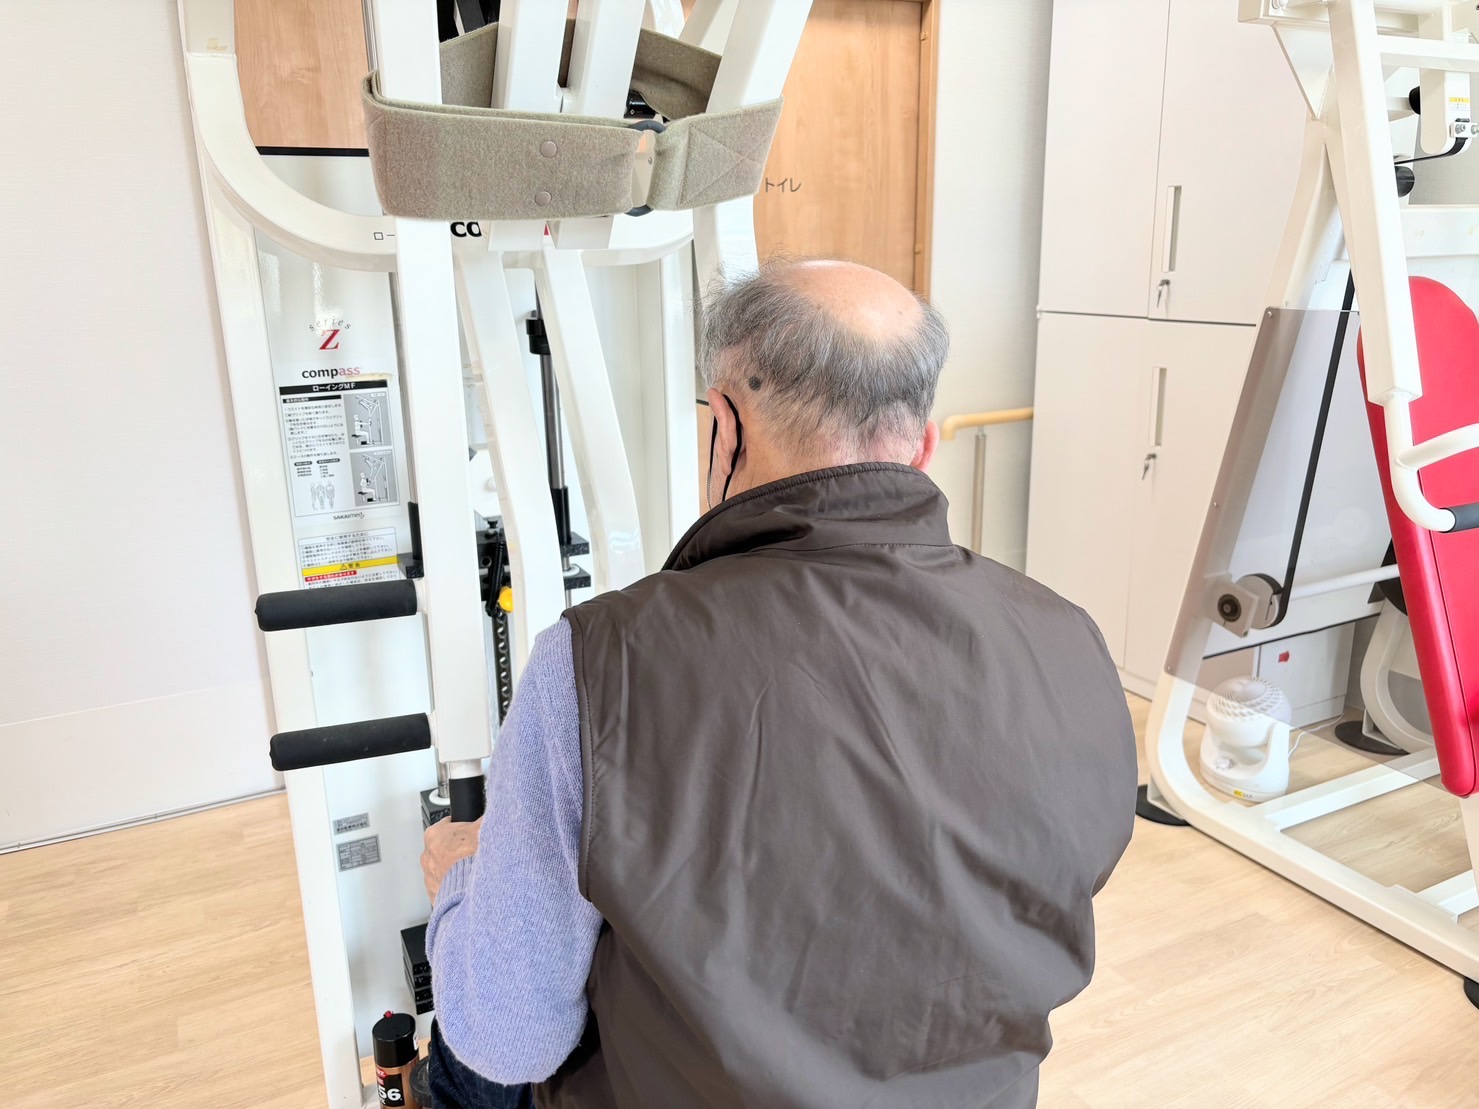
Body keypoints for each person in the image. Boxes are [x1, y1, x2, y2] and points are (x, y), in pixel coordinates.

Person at [420, 259, 1138, 1109]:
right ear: (923, 446)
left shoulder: (592, 659)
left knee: (458, 1069)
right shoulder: (1070, 637)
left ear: (725, 426)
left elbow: (508, 1037)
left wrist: (460, 879)